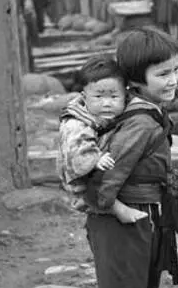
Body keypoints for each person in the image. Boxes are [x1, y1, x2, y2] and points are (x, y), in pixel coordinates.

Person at [84, 28, 178, 288]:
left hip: (147, 214)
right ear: (135, 80)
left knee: (143, 284)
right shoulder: (140, 123)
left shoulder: (151, 112)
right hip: (122, 219)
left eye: (176, 69)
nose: (174, 79)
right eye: (162, 73)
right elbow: (107, 176)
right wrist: (113, 208)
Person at [58, 56, 144, 224]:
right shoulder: (76, 123)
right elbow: (77, 149)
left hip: (98, 172)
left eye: (114, 97)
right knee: (92, 192)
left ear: (125, 95)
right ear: (84, 97)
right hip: (78, 177)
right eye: (98, 97)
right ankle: (111, 207)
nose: (106, 104)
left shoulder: (114, 114)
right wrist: (95, 159)